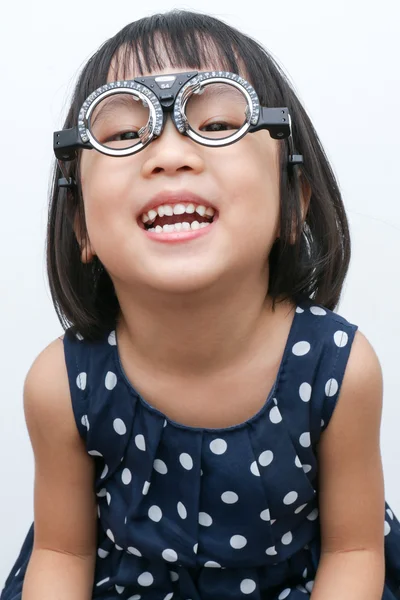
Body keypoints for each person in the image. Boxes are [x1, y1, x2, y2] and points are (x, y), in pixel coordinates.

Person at [1, 8, 400, 600]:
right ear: (81, 224)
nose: (168, 154)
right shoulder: (62, 384)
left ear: (293, 204)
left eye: (216, 123)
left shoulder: (337, 368)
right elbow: (62, 553)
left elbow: (355, 550)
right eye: (122, 134)